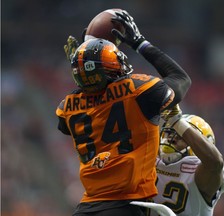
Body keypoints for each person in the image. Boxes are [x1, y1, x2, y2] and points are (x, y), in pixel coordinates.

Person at [56, 10, 191, 216]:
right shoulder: (139, 91)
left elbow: (75, 115)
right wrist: (140, 43)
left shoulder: (68, 105)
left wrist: (83, 66)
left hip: (86, 208)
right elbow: (181, 79)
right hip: (127, 206)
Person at [148, 105, 224, 216]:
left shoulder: (202, 170)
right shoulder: (149, 159)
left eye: (180, 136)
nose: (171, 139)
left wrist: (176, 121)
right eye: (169, 133)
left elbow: (215, 162)